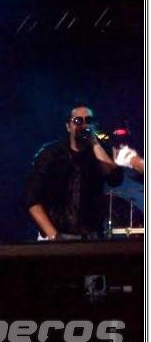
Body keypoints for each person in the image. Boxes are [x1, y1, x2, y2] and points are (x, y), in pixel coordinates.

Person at [25, 103, 123, 240]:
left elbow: (115, 179)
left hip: (89, 236)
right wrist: (54, 236)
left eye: (88, 120)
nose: (84, 125)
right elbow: (31, 198)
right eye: (78, 120)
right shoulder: (51, 154)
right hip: (56, 234)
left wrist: (95, 143)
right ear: (68, 126)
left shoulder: (100, 153)